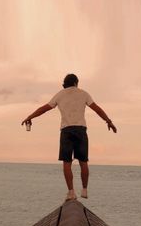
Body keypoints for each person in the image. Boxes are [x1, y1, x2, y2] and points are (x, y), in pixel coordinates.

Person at [21, 73, 117, 201]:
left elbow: (43, 109)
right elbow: (97, 109)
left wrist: (30, 117)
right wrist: (108, 121)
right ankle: (84, 190)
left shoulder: (60, 94)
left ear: (64, 84)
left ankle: (71, 192)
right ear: (76, 83)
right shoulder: (83, 93)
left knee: (67, 162)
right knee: (83, 162)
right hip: (80, 130)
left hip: (66, 130)